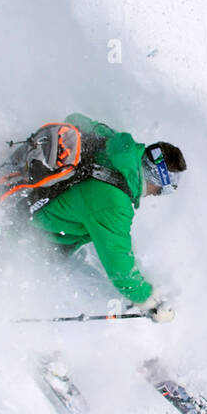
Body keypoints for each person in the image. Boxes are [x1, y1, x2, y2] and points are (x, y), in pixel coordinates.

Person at [31, 113, 185, 321]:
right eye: (162, 190)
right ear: (154, 179)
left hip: (37, 199)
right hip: (37, 235)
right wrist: (148, 301)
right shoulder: (114, 204)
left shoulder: (115, 144)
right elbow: (119, 267)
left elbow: (75, 119)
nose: (156, 195)